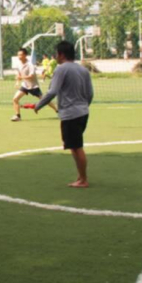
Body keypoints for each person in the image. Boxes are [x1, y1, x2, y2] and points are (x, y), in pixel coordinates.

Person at [35, 41, 94, 188]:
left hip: (71, 114)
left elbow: (52, 91)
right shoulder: (83, 70)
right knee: (75, 146)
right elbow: (90, 94)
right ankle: (80, 177)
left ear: (61, 54)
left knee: (76, 147)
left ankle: (83, 179)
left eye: (56, 54)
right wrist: (83, 106)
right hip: (83, 113)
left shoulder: (61, 70)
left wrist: (39, 105)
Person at [12, 48, 57, 121]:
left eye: (20, 55)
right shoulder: (18, 64)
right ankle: (18, 116)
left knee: (45, 100)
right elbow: (19, 75)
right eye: (18, 55)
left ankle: (57, 110)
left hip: (33, 87)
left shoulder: (30, 65)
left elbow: (31, 76)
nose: (19, 56)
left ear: (25, 55)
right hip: (25, 86)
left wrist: (21, 77)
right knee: (15, 99)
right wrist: (17, 82)